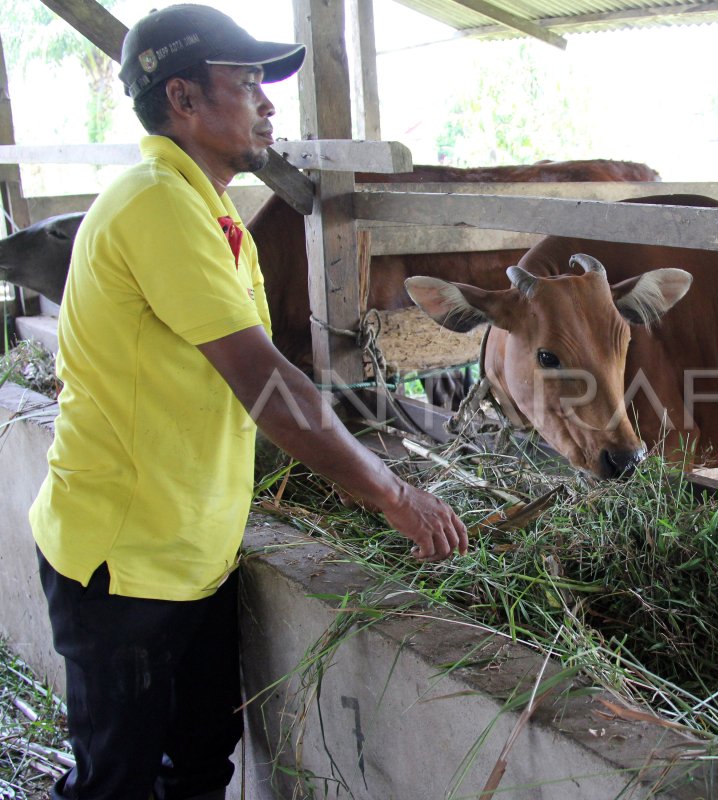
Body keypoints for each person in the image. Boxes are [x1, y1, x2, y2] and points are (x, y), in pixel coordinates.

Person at [27, 5, 469, 799]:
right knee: (115, 782)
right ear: (185, 101)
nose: (269, 103)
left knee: (199, 763)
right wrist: (393, 493)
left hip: (194, 549)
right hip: (125, 561)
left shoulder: (213, 210)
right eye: (248, 83)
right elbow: (266, 384)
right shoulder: (157, 203)